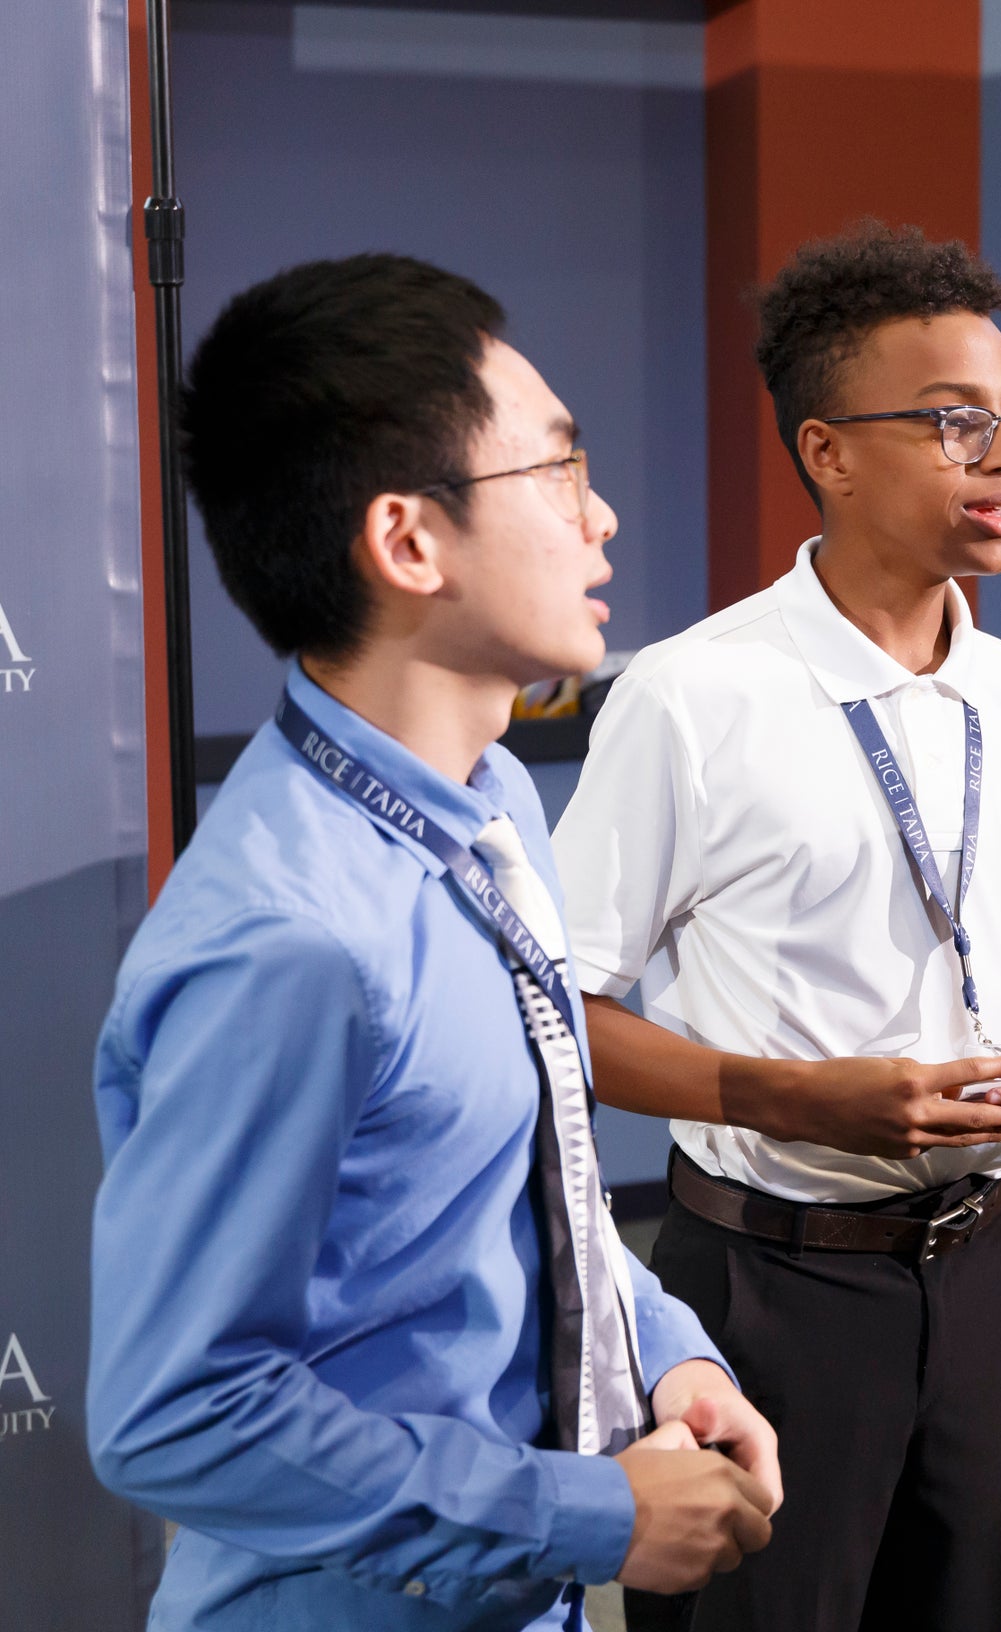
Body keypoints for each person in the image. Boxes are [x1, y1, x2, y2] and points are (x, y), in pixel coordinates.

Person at [87, 254, 781, 1631]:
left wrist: (661, 1353)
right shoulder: (290, 943)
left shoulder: (494, 798)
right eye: (559, 470)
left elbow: (528, 1188)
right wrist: (591, 1514)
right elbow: (173, 1414)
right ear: (410, 542)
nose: (604, 517)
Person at [552, 221, 1001, 1632]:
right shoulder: (695, 697)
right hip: (769, 1288)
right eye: (952, 425)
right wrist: (795, 1097)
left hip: (982, 1265)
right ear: (828, 453)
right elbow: (561, 1014)